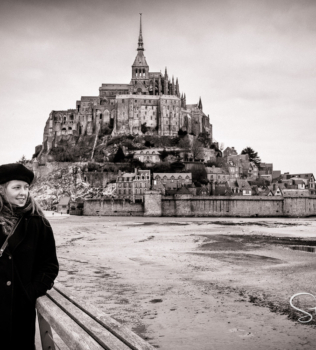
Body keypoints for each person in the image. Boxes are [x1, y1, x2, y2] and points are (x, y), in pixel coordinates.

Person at [0, 163, 59, 350]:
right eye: (16, 187)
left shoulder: (39, 223)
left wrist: (30, 293)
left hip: (20, 311)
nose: (23, 192)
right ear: (1, 190)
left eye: (26, 187)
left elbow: (49, 266)